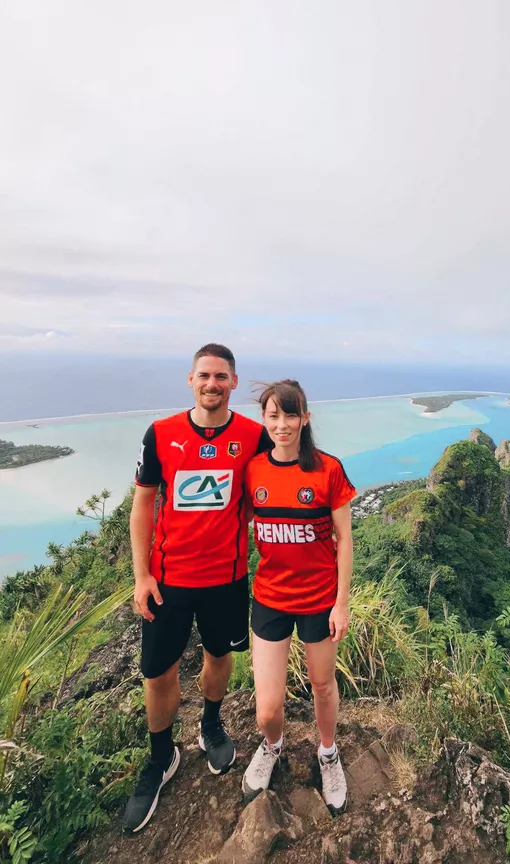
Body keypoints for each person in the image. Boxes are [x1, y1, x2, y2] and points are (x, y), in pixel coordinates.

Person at [122, 343, 273, 834]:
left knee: (218, 656)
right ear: (191, 380)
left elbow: (270, 491)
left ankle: (211, 725)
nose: (213, 384)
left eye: (222, 377)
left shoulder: (253, 437)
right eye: (204, 375)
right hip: (168, 580)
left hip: (226, 579)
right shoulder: (161, 434)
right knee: (159, 671)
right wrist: (142, 575)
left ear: (233, 383)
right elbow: (143, 505)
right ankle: (162, 758)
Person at [241, 379, 355, 815]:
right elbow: (237, 524)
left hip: (319, 598)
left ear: (305, 418)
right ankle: (273, 745)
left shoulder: (328, 469)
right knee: (267, 708)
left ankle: (328, 753)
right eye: (274, 414)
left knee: (322, 684)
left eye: (291, 414)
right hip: (269, 596)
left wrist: (342, 601)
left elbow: (344, 539)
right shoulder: (254, 471)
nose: (282, 423)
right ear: (264, 419)